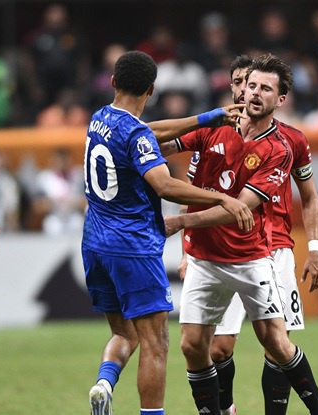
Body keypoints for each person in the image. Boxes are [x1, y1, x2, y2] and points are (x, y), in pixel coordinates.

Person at [82, 50, 253, 415]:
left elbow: (147, 132)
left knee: (124, 333)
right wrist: (222, 198)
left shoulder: (99, 119)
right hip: (132, 247)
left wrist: (208, 118)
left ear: (113, 82)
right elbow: (165, 185)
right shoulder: (136, 135)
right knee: (156, 341)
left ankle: (104, 383)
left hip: (95, 243)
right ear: (152, 89)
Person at [162, 53, 318, 415]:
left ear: (280, 99)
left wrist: (315, 248)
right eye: (245, 84)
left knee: (276, 344)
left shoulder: (286, 144)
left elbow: (304, 197)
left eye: (261, 87)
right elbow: (177, 171)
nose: (249, 91)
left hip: (267, 248)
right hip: (209, 249)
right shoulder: (212, 126)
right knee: (211, 347)